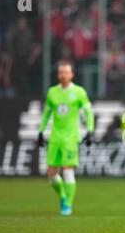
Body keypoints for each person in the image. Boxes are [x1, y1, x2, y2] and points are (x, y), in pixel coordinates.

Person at [37, 61, 94, 215]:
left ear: (72, 74)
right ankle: (63, 195)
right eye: (61, 72)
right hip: (55, 137)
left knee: (68, 170)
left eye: (66, 72)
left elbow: (88, 112)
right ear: (58, 75)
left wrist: (90, 130)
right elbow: (47, 113)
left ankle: (67, 204)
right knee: (51, 174)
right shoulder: (52, 92)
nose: (63, 75)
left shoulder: (79, 92)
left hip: (70, 137)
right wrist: (41, 131)